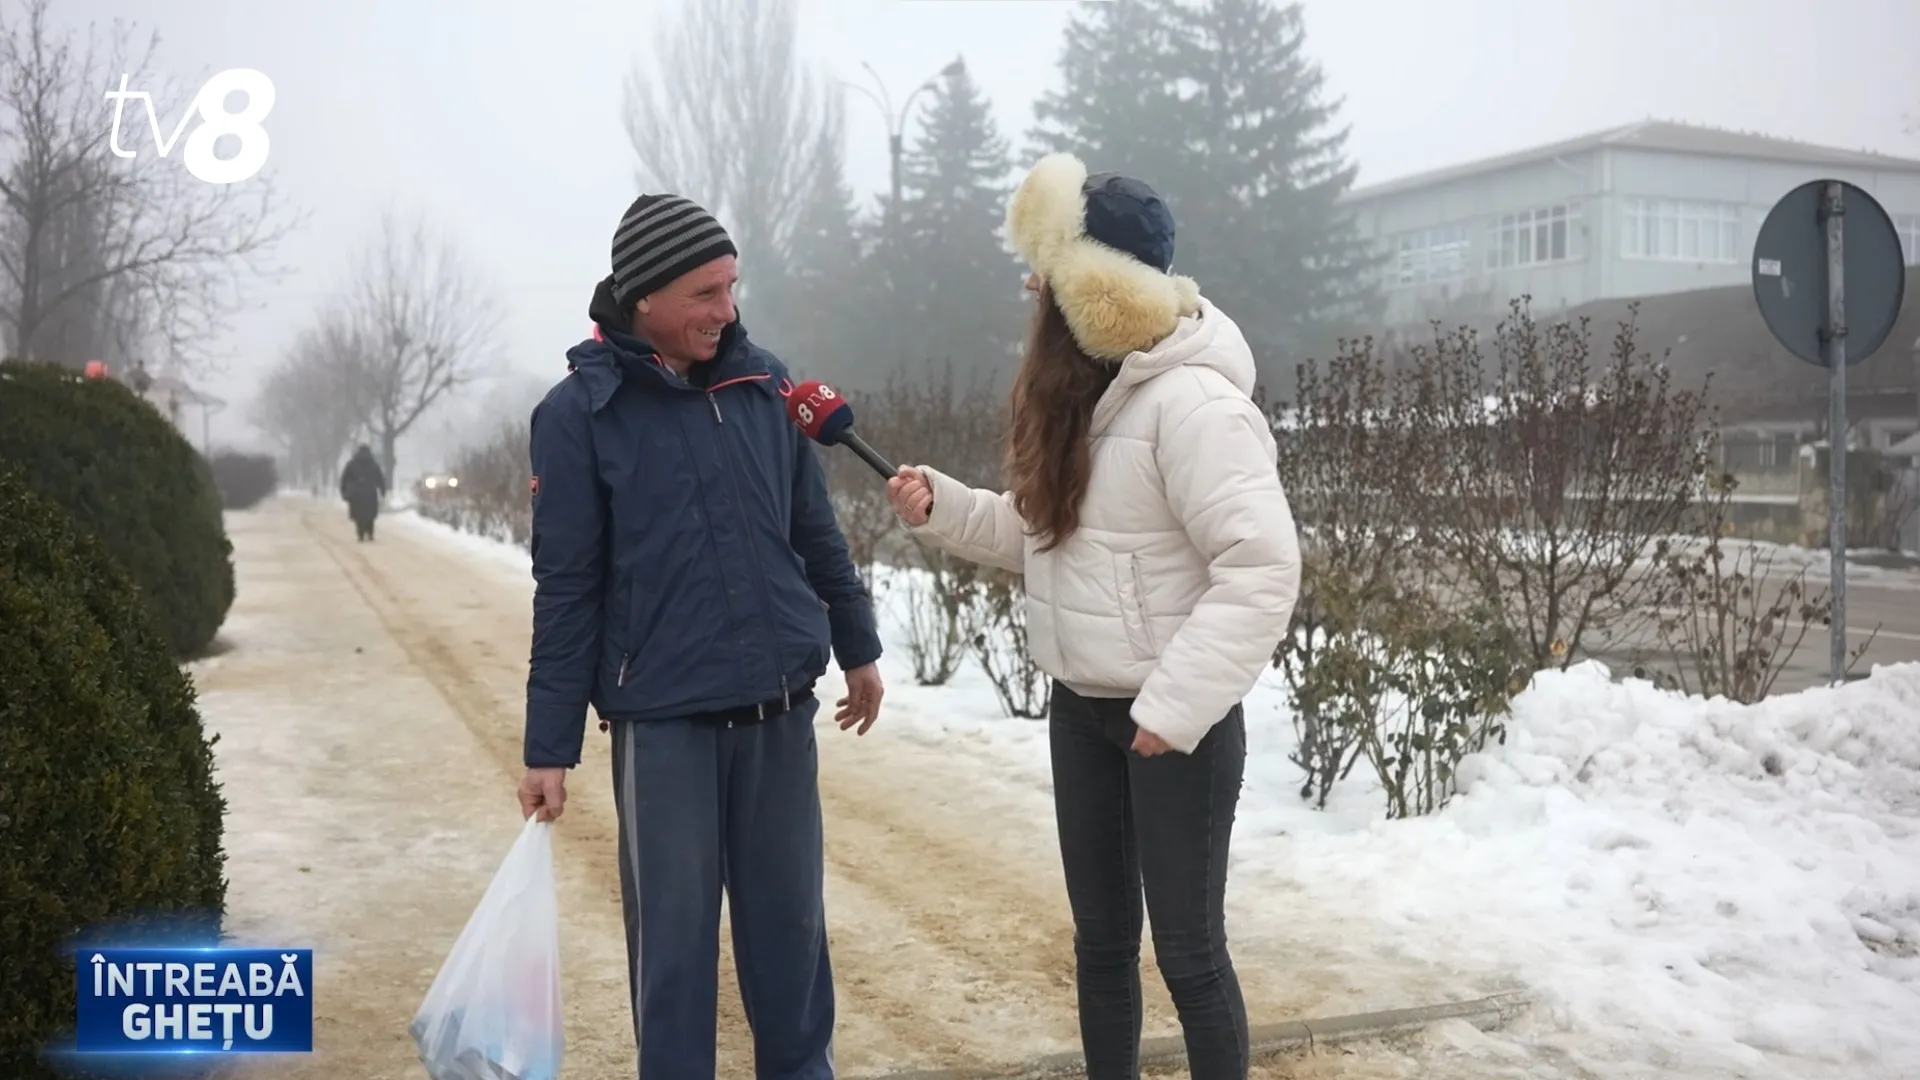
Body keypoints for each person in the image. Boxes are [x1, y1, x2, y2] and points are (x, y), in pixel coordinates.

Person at [885, 153, 1301, 1080]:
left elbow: (1263, 567)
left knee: (1190, 956)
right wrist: (945, 507)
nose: (1032, 296)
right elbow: (1044, 534)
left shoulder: (1193, 403)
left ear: (1098, 289)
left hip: (1172, 730)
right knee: (1102, 948)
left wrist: (1175, 703)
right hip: (1081, 712)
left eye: (1049, 278)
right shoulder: (1082, 399)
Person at [515, 192, 886, 1080]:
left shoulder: (764, 385)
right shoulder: (577, 417)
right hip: (666, 721)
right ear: (643, 298)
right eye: (704, 293)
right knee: (675, 954)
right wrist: (547, 745)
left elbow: (814, 529)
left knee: (792, 943)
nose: (727, 309)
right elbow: (566, 591)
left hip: (776, 712)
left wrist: (857, 643)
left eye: (731, 287)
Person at [338, 444, 387, 541]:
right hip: (370, 493)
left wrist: (344, 492)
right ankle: (370, 532)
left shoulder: (351, 464)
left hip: (356, 494)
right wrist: (383, 491)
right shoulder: (374, 465)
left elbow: (344, 479)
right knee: (370, 514)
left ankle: (360, 533)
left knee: (358, 514)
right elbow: (380, 479)